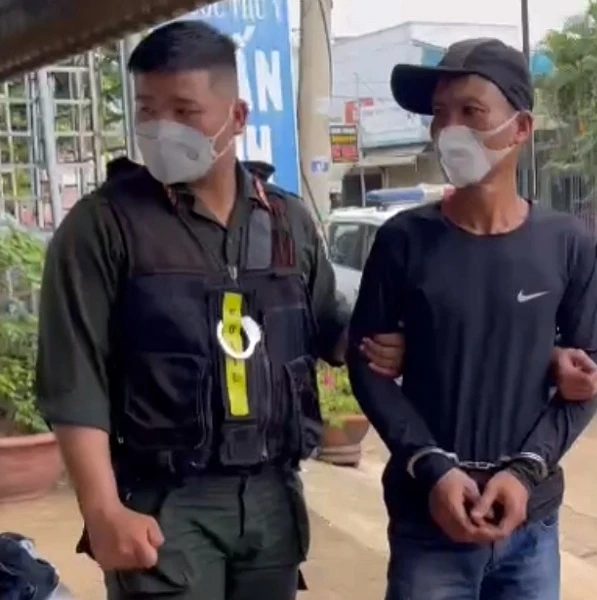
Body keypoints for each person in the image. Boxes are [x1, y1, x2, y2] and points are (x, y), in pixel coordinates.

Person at [34, 21, 400, 600]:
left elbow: (328, 325)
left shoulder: (286, 220)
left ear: (237, 116)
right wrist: (102, 510)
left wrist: (389, 339)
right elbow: (72, 380)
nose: (162, 128)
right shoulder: (104, 226)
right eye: (148, 110)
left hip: (272, 499)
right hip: (165, 505)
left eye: (185, 111)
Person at [346, 38, 597, 600]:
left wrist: (526, 472)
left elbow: (591, 372)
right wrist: (433, 468)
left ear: (521, 128)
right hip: (427, 528)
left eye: (471, 111)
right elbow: (366, 368)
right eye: (440, 113)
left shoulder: (565, 243)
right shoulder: (402, 241)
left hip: (530, 530)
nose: (451, 130)